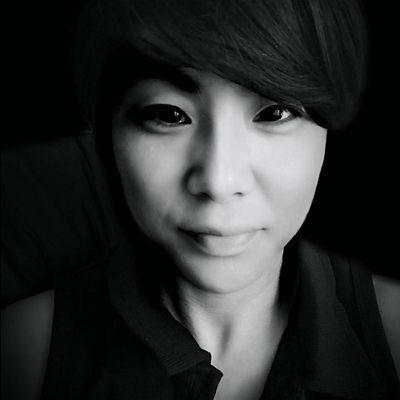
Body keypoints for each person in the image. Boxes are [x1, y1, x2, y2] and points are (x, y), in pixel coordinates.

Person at [1, 0, 399, 399]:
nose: (219, 181)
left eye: (274, 112)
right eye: (169, 115)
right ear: (108, 135)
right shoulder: (23, 352)